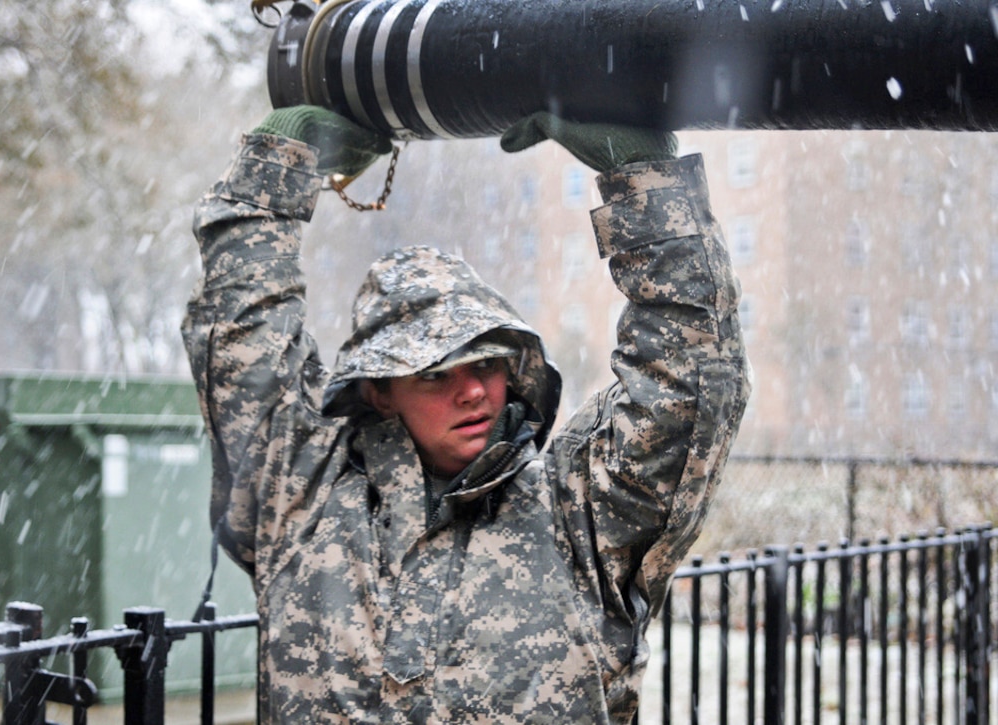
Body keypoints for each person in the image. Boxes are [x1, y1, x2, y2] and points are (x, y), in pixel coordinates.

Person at [182, 105, 750, 723]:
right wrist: (275, 169)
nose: (473, 391)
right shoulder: (302, 494)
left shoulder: (578, 513)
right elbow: (243, 339)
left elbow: (690, 382)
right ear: (379, 391)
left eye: (486, 364)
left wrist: (647, 183)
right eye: (435, 373)